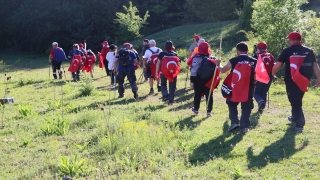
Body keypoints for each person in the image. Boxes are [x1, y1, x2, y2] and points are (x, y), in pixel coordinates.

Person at [272, 31, 320, 132]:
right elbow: (315, 65)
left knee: (295, 101)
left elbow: (278, 65)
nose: (289, 41)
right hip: (305, 79)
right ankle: (294, 117)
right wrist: (318, 77)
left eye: (289, 39)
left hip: (291, 80)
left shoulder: (287, 51)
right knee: (296, 99)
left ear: (293, 40)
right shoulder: (309, 51)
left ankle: (299, 124)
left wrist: (272, 73)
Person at [216, 42, 257, 133]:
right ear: (248, 50)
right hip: (249, 86)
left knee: (232, 103)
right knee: (247, 105)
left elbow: (223, 70)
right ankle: (244, 127)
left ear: (237, 51)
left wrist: (218, 64)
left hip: (235, 86)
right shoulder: (254, 60)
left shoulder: (234, 60)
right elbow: (257, 75)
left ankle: (234, 122)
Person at [190, 42, 217, 117]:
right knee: (209, 95)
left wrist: (192, 81)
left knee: (197, 94)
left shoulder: (196, 58)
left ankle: (196, 109)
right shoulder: (212, 58)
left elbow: (194, 70)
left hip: (198, 80)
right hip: (209, 80)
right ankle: (209, 111)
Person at [156, 41, 180, 105]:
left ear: (165, 46)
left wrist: (156, 72)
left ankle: (165, 96)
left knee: (163, 84)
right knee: (172, 86)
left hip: (163, 72)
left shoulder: (162, 54)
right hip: (172, 72)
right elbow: (177, 64)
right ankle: (171, 101)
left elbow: (158, 63)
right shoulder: (175, 54)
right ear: (172, 46)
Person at [253, 42, 275, 113]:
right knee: (264, 92)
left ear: (258, 48)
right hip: (269, 76)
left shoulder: (257, 56)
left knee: (255, 92)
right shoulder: (271, 56)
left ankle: (260, 101)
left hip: (260, 76)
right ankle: (261, 108)